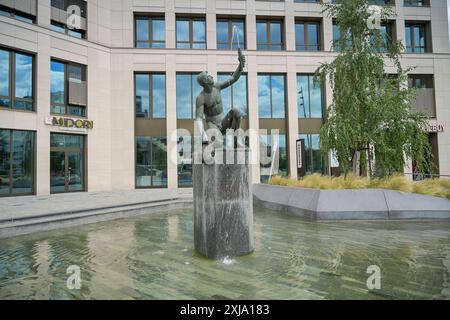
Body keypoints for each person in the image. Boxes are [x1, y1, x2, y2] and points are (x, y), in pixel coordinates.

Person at [195, 48, 246, 145]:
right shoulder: (201, 98)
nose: (211, 77)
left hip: (224, 122)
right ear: (205, 82)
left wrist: (240, 66)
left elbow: (233, 78)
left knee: (237, 111)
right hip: (213, 125)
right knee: (218, 144)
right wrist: (203, 134)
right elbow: (198, 118)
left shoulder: (217, 87)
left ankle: (237, 140)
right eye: (208, 76)